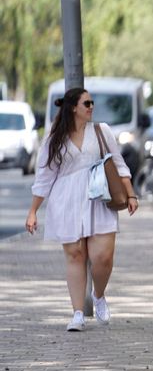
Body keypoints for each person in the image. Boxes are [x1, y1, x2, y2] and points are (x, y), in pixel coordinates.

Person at [25, 87, 139, 331]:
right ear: (73, 107)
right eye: (86, 103)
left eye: (91, 103)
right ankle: (77, 312)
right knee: (75, 255)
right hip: (66, 201)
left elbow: (118, 164)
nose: (91, 107)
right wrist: (33, 211)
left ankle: (98, 295)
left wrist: (131, 194)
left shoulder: (101, 131)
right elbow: (44, 176)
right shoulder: (54, 137)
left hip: (99, 198)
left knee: (103, 257)